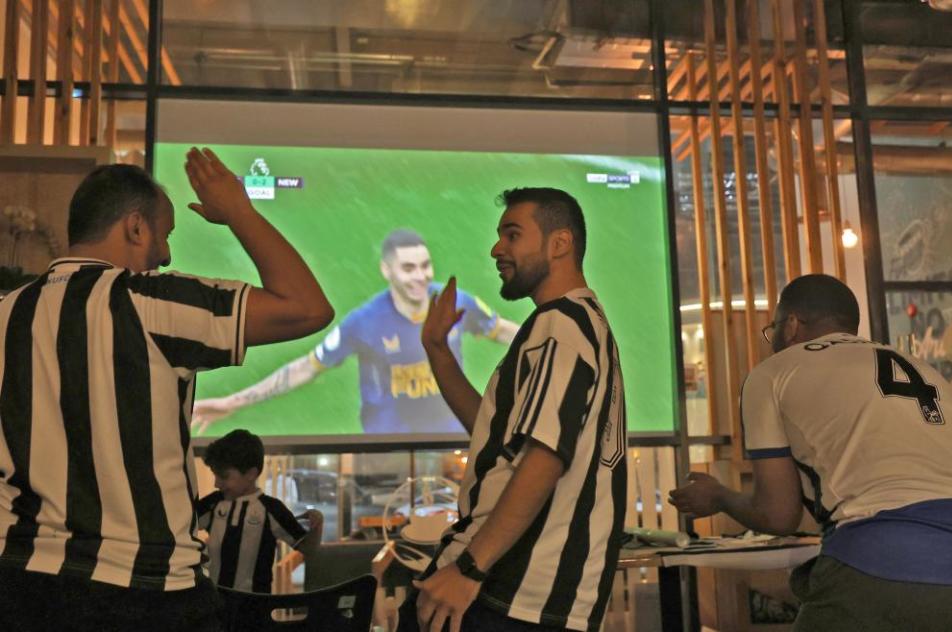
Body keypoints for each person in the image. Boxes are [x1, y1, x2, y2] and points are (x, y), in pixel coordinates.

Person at [0, 148, 334, 632]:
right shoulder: (149, 301)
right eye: (166, 233)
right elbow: (307, 308)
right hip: (145, 592)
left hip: (20, 588)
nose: (167, 253)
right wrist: (239, 212)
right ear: (136, 227)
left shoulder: (7, 312)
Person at [668, 274, 952, 632]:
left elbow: (778, 515)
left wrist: (719, 496)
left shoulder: (773, 373)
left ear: (791, 325)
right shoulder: (921, 367)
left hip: (880, 558)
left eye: (771, 327)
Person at [399, 188, 627, 632]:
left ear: (559, 243)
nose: (496, 249)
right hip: (525, 597)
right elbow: (495, 433)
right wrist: (436, 349)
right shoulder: (580, 324)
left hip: (509, 594)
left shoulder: (559, 325)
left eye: (513, 234)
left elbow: (544, 458)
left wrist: (468, 569)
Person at [192, 229, 520, 435]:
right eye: (408, 268)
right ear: (386, 270)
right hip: (386, 438)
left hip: (457, 434)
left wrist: (555, 340)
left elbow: (503, 330)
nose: (420, 276)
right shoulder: (363, 322)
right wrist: (233, 402)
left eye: (425, 266)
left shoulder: (455, 302)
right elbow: (307, 366)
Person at [197, 429, 322, 593]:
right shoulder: (213, 503)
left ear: (250, 474)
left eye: (223, 476)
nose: (217, 483)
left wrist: (318, 524)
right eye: (215, 475)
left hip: (255, 608)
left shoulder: (272, 509)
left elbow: (308, 549)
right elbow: (181, 529)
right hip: (215, 603)